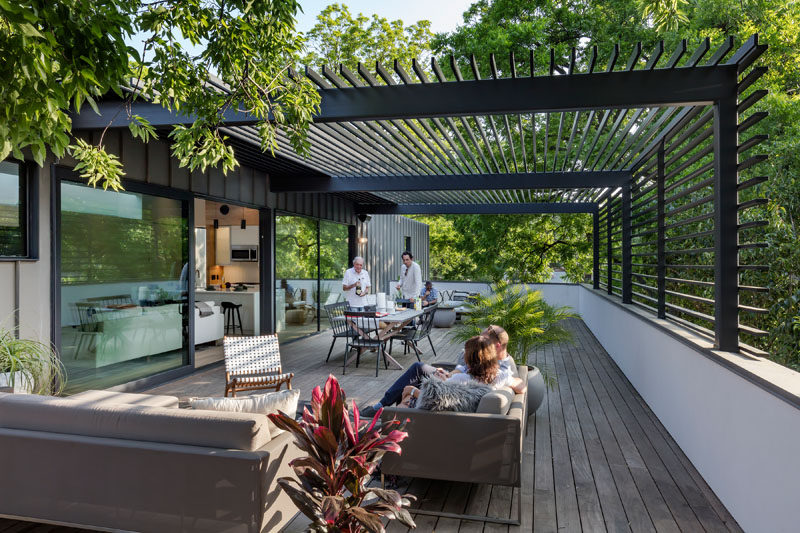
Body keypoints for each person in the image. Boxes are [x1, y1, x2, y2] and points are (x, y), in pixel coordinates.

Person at [361, 326, 524, 416]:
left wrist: (446, 380)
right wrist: (448, 375)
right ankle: (382, 407)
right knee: (419, 368)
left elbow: (459, 383)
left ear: (495, 346)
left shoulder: (503, 366)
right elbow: (461, 370)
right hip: (453, 384)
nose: (480, 341)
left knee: (414, 376)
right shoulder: (498, 372)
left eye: (484, 341)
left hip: (450, 392)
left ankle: (383, 410)